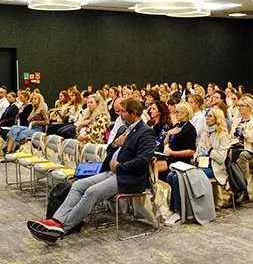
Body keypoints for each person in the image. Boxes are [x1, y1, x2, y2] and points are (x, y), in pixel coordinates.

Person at [26, 99, 156, 245]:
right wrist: (115, 143)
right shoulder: (123, 129)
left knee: (91, 192)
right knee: (78, 185)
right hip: (111, 172)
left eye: (123, 112)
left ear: (133, 114)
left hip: (129, 177)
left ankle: (62, 228)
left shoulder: (146, 133)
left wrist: (120, 166)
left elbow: (142, 161)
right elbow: (109, 150)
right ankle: (56, 220)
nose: (120, 114)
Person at [164, 107, 230, 226]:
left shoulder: (222, 135)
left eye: (210, 116)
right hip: (200, 165)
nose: (207, 118)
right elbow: (197, 152)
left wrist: (209, 148)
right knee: (171, 175)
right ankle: (175, 209)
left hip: (214, 168)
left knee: (178, 177)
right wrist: (197, 158)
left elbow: (221, 159)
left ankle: (180, 212)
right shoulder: (205, 133)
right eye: (206, 116)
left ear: (217, 119)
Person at [157, 102, 197, 178]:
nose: (176, 114)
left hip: (180, 160)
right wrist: (168, 134)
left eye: (177, 112)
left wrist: (172, 153)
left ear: (185, 113)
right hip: (170, 157)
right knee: (151, 164)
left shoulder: (190, 129)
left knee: (155, 167)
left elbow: (191, 151)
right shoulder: (177, 126)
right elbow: (164, 143)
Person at [230, 95, 253, 162]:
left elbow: (252, 139)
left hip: (246, 148)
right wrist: (233, 140)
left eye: (242, 106)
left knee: (231, 153)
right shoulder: (236, 121)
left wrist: (243, 129)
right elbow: (231, 135)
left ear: (249, 107)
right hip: (234, 146)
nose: (239, 108)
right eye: (239, 106)